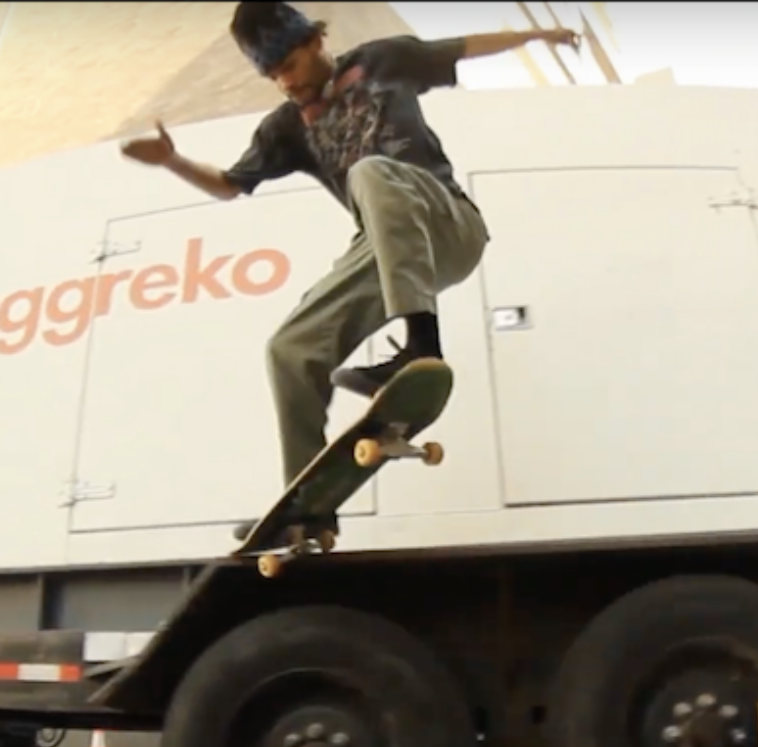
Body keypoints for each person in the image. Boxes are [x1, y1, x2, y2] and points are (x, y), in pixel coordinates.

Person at [121, 2, 580, 541]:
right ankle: (307, 510)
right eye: (271, 76)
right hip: (384, 249)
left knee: (370, 172)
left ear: (314, 42)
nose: (284, 84)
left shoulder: (384, 60)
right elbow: (229, 185)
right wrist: (173, 162)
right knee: (290, 349)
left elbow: (461, 47)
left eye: (288, 66)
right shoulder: (286, 129)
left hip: (447, 222)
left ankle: (421, 345)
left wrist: (538, 34)